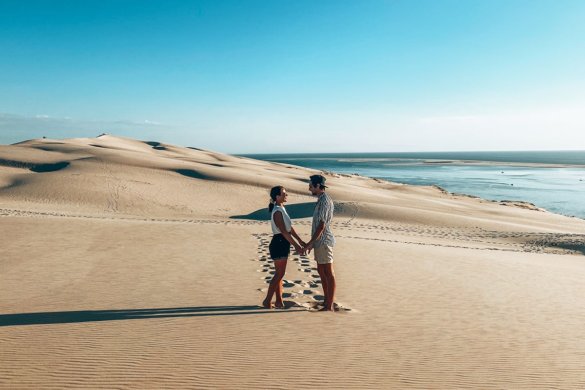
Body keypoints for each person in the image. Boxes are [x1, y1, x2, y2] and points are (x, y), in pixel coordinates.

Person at [262, 186, 306, 309]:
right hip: (279, 242)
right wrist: (296, 246)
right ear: (277, 196)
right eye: (284, 194)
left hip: (283, 242)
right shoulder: (277, 211)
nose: (286, 195)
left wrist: (300, 240)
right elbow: (284, 231)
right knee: (279, 274)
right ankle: (267, 301)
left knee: (279, 274)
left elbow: (289, 228)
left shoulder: (281, 208)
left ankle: (279, 301)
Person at [304, 175, 337, 311]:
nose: (309, 187)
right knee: (321, 271)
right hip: (319, 242)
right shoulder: (321, 200)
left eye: (311, 185)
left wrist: (310, 243)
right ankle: (326, 300)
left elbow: (322, 226)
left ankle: (329, 305)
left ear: (318, 186)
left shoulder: (324, 201)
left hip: (323, 241)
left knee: (328, 273)